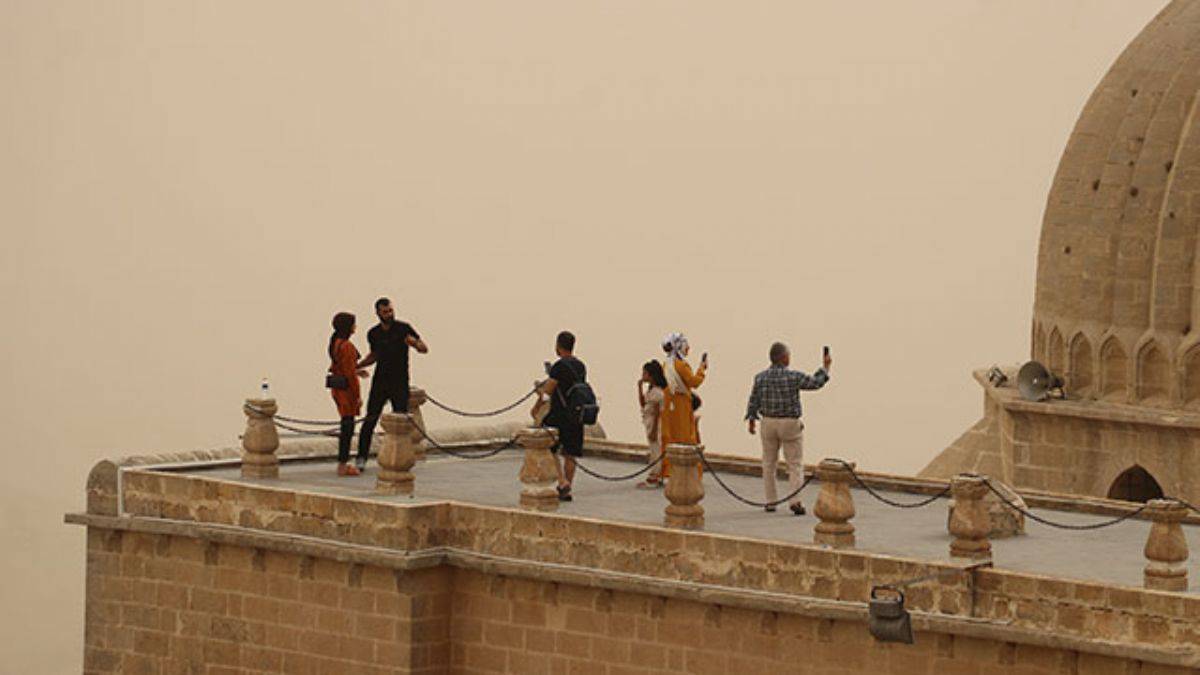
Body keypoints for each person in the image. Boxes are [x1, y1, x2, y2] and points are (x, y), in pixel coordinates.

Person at [745, 342, 832, 515]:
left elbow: (753, 399)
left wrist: (752, 419)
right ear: (784, 358)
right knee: (795, 464)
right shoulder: (793, 377)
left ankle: (770, 501)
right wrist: (825, 368)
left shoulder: (760, 377)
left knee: (768, 463)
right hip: (789, 423)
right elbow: (815, 383)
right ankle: (795, 501)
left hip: (768, 422)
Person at [355, 297, 428, 471]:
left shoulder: (403, 328)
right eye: (385, 312)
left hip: (400, 381)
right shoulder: (373, 333)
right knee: (370, 419)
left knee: (401, 421)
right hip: (380, 380)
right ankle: (361, 459)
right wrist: (357, 365)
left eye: (391, 311)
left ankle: (402, 459)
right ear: (378, 313)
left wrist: (415, 343)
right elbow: (374, 355)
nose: (389, 314)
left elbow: (424, 348)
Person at [531, 331, 587, 501]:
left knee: (550, 447)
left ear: (558, 346)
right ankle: (568, 486)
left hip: (560, 414)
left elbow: (548, 392)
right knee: (570, 453)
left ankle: (562, 481)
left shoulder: (558, 366)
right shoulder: (581, 366)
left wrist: (536, 407)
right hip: (577, 414)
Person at [327, 312, 370, 476]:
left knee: (346, 425)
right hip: (347, 391)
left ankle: (342, 462)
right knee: (348, 426)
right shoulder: (347, 346)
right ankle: (343, 463)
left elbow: (343, 368)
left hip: (338, 389)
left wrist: (356, 371)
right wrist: (357, 396)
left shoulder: (335, 343)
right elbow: (350, 375)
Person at [660, 332, 707, 479]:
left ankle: (668, 471)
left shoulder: (666, 364)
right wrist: (702, 369)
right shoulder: (680, 365)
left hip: (669, 405)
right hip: (681, 405)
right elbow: (694, 382)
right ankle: (689, 473)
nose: (688, 349)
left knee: (670, 437)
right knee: (686, 437)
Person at [636, 360, 668, 489]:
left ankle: (654, 476)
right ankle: (656, 475)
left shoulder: (658, 394)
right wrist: (639, 387)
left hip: (655, 425)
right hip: (649, 422)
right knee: (653, 449)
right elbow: (643, 404)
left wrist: (654, 430)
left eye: (645, 373)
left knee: (655, 450)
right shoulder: (651, 391)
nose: (643, 375)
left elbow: (657, 413)